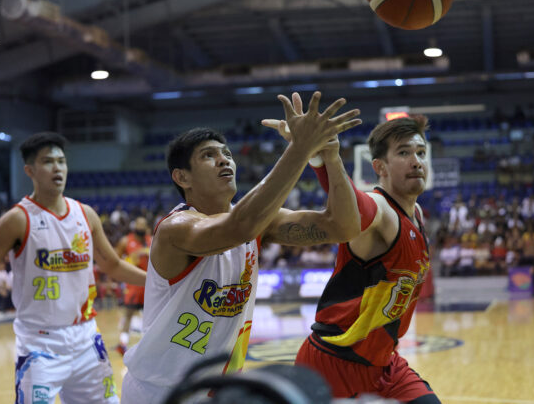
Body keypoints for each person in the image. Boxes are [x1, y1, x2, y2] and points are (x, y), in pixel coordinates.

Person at [121, 91, 362, 404]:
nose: (224, 159)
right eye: (208, 155)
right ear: (182, 177)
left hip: (216, 390)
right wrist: (300, 148)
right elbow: (238, 228)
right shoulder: (176, 229)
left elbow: (344, 227)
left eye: (227, 153)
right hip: (159, 391)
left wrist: (326, 156)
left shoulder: (256, 222)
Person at [265, 101, 440, 402]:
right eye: (404, 153)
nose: (416, 161)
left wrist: (320, 160)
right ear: (379, 167)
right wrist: (327, 159)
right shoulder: (382, 209)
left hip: (385, 365)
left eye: (421, 153)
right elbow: (353, 211)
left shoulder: (418, 214)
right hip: (333, 363)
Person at [0, 132, 146, 404]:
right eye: (48, 161)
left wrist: (161, 280)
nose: (58, 168)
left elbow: (113, 264)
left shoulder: (86, 214)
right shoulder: (17, 219)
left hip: (85, 338)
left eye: (62, 161)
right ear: (30, 170)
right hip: (39, 344)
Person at [115, 216, 152, 355]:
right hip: (133, 284)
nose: (141, 228)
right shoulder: (126, 241)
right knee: (129, 315)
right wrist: (133, 258)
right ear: (134, 226)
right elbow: (116, 260)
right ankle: (122, 343)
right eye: (139, 225)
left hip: (149, 284)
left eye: (143, 226)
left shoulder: (152, 240)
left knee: (150, 316)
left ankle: (148, 345)